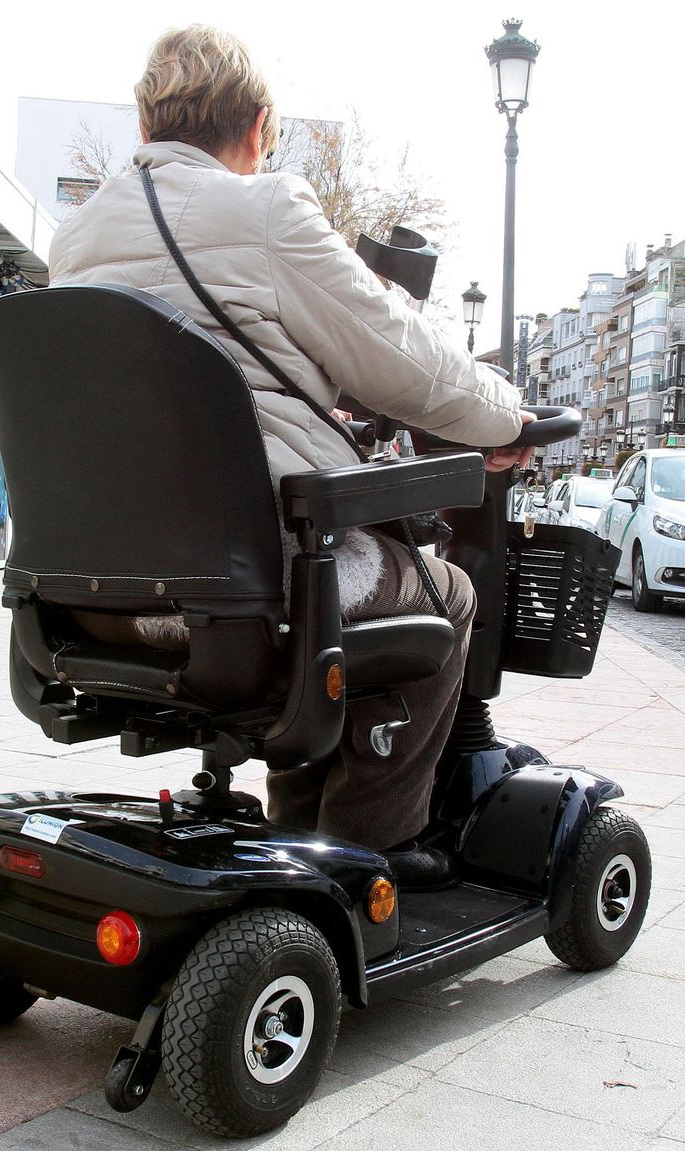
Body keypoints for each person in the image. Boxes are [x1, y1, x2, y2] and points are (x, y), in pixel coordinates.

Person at [48, 25, 530, 889]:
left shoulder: (74, 241)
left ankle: (297, 824)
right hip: (241, 595)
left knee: (336, 588)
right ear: (260, 125)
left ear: (146, 122)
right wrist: (507, 419)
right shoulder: (266, 209)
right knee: (441, 593)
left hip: (92, 603)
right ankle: (371, 849)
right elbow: (408, 360)